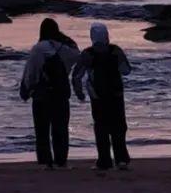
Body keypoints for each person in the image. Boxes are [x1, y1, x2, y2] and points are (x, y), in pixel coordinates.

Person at [19, 17, 80, 169]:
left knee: (42, 130)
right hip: (60, 93)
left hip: (42, 95)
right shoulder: (64, 48)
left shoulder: (39, 48)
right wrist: (61, 37)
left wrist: (26, 89)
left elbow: (31, 73)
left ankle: (46, 162)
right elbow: (76, 53)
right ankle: (61, 161)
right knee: (60, 129)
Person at [71, 22, 131, 171]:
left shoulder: (88, 54)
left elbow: (77, 76)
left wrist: (79, 93)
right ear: (106, 35)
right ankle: (121, 159)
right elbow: (126, 71)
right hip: (116, 94)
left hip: (97, 96)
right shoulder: (115, 51)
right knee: (119, 127)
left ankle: (104, 161)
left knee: (101, 127)